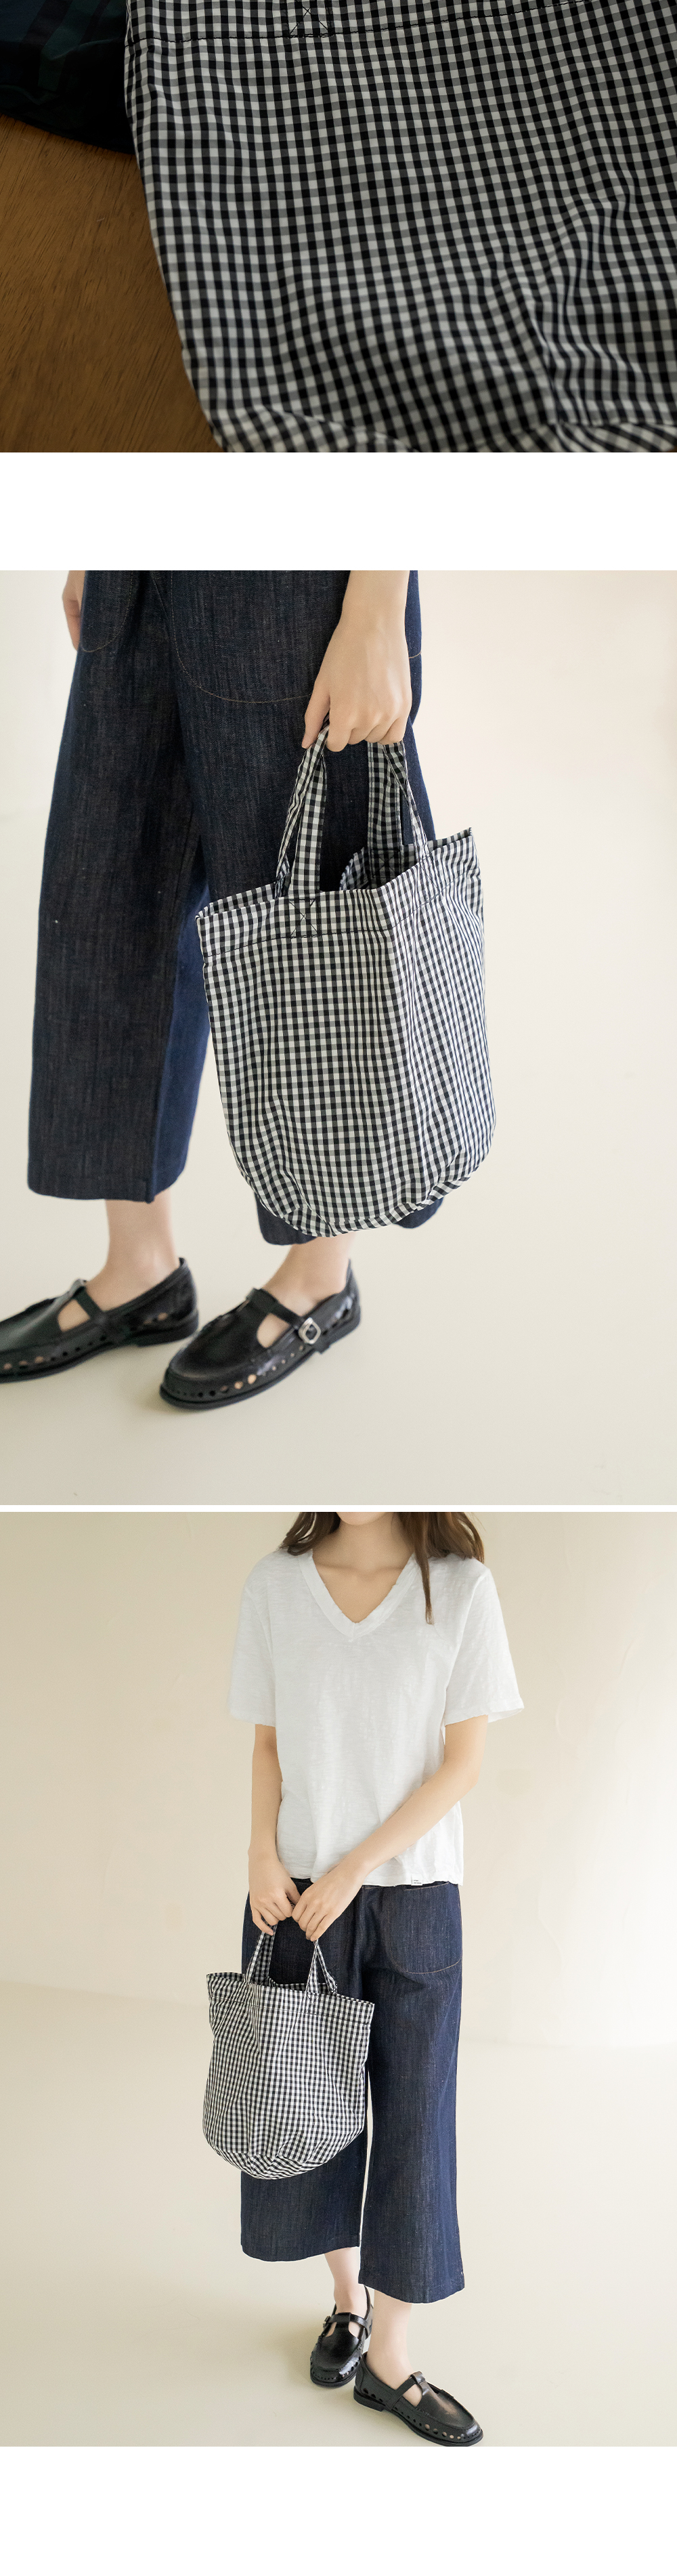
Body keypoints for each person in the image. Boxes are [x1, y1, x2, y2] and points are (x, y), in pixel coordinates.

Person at [0, 570, 438, 1411]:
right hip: (144, 555)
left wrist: (377, 607)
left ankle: (319, 1276)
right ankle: (140, 1269)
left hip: (302, 575)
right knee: (110, 895)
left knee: (316, 922)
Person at [227, 1507, 523, 2444]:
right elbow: (268, 1743)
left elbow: (462, 1763)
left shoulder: (461, 1588)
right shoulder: (276, 1584)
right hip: (296, 1895)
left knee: (415, 2127)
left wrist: (355, 1864)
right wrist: (260, 1855)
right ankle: (346, 2301)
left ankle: (390, 2356)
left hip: (413, 1895)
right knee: (306, 2115)